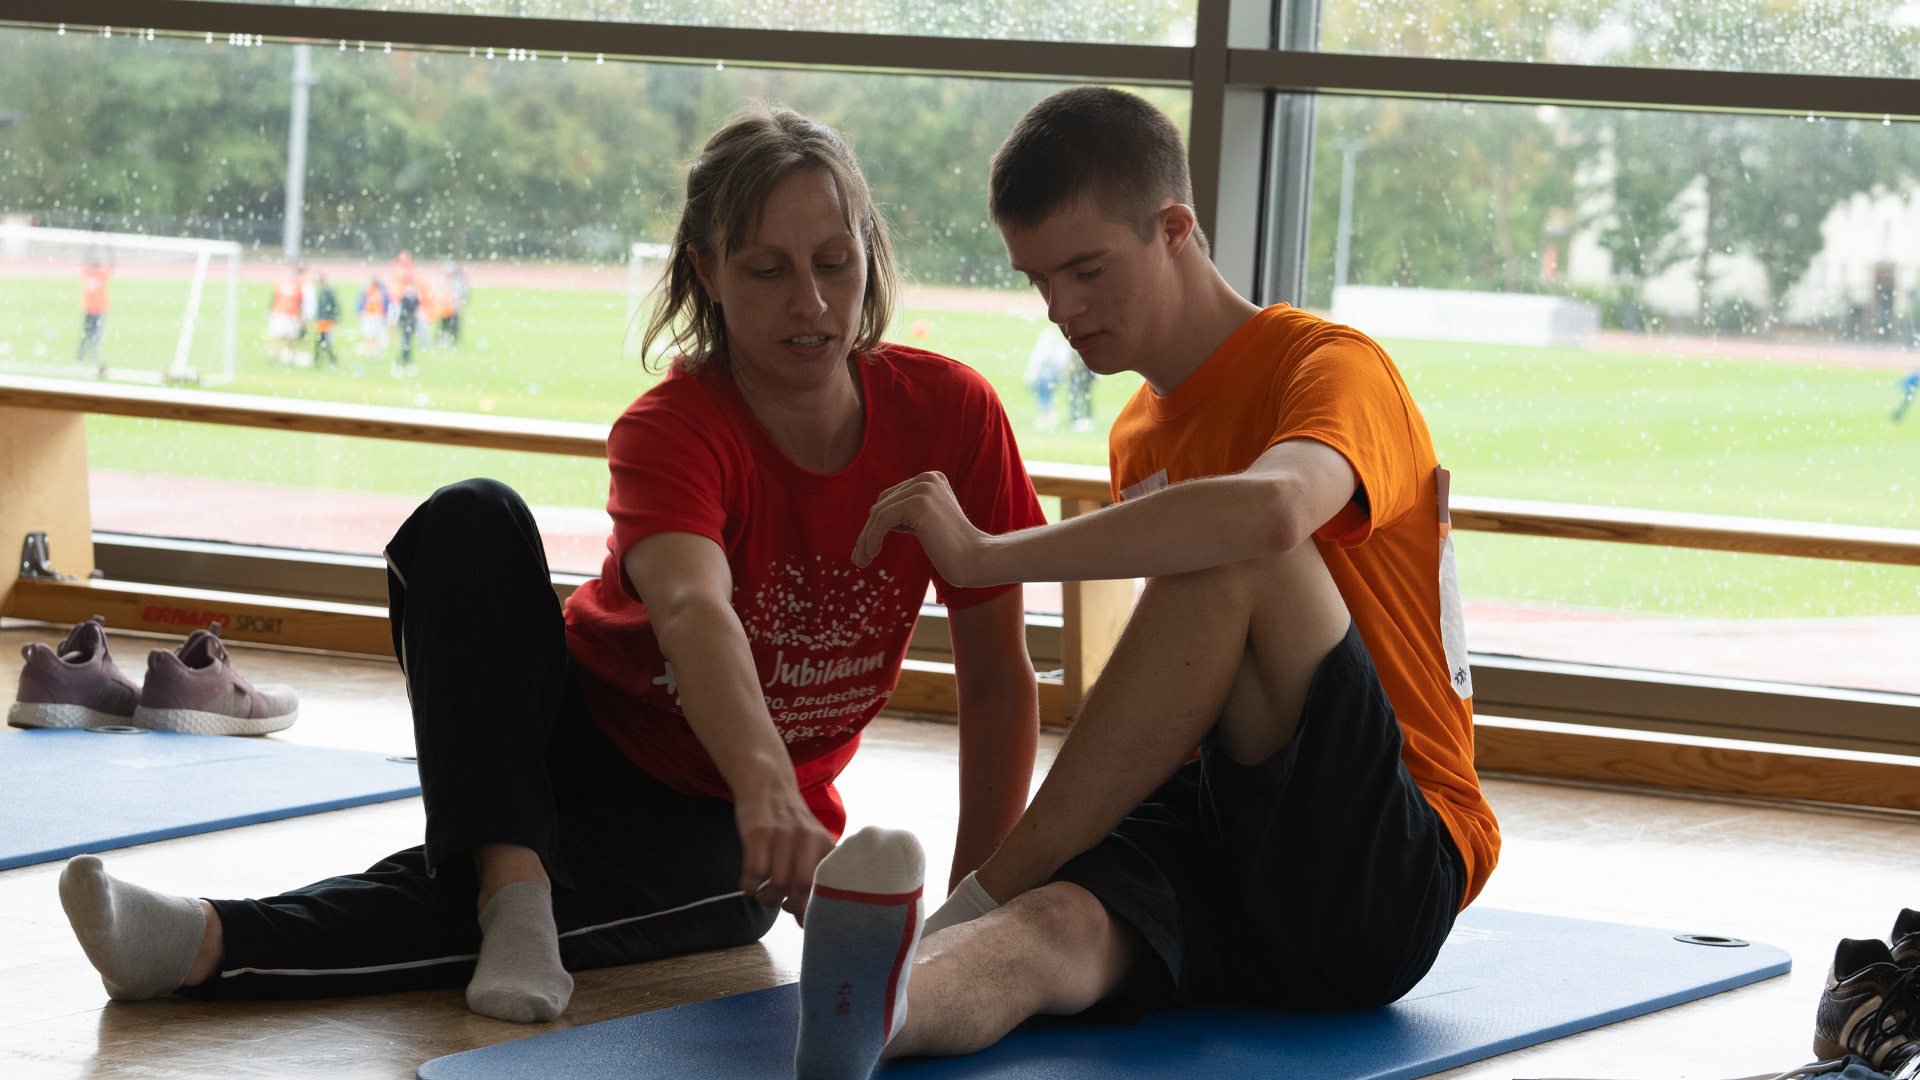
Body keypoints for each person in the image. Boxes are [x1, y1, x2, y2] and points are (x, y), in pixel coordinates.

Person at [55, 104, 1045, 1029]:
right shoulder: (674, 427)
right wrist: (768, 786)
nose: (814, 301)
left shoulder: (951, 417)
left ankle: (210, 940)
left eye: (837, 261)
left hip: (701, 818)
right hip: (563, 733)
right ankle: (515, 878)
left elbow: (1000, 684)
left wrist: (972, 916)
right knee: (467, 518)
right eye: (768, 270)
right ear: (706, 269)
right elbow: (695, 610)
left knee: (634, 894)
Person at [797, 86, 1500, 1079]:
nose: (1064, 311)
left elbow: (1268, 517)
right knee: (1053, 933)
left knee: (1237, 541)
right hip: (1222, 828)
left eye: (1087, 270)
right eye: (1040, 281)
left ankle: (975, 901)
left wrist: (991, 553)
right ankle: (877, 1012)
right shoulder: (1141, 433)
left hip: (1383, 869)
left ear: (1176, 229)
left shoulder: (1333, 368)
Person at [1023, 326, 1071, 431]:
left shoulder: (1042, 349)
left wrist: (1029, 377)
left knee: (1044, 397)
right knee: (1047, 397)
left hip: (1044, 377)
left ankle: (1047, 416)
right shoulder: (1059, 348)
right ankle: (1049, 416)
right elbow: (1062, 362)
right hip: (1053, 377)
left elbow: (1036, 362)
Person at [76, 251, 113, 374]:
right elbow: (112, 265)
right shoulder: (100, 273)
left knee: (88, 336)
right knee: (91, 337)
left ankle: (85, 360)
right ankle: (85, 360)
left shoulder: (88, 272)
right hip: (93, 309)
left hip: (95, 309)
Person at [267, 263, 309, 366]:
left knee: (278, 337)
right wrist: (302, 316)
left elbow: (274, 295)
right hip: (291, 313)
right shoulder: (300, 283)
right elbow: (301, 300)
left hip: (279, 312)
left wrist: (272, 310)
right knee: (290, 338)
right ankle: (289, 357)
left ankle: (273, 356)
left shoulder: (282, 279)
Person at [312, 271, 341, 367]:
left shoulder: (329, 293)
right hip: (320, 322)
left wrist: (335, 319)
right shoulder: (319, 293)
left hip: (327, 321)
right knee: (319, 343)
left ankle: (332, 361)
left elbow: (335, 306)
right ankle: (317, 362)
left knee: (327, 343)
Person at [357, 276, 390, 361]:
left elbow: (385, 304)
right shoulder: (368, 291)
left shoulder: (380, 292)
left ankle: (374, 352)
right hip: (370, 316)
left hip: (377, 316)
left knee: (375, 335)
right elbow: (362, 303)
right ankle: (371, 352)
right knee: (370, 335)